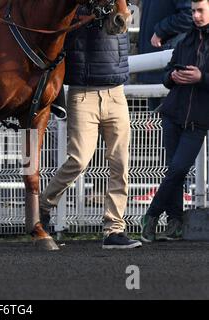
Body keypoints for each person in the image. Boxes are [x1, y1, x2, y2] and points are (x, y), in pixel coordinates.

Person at [39, 6, 142, 249]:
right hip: (83, 96)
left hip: (116, 95)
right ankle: (43, 206)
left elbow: (120, 20)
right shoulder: (73, 10)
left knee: (120, 164)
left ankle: (113, 229)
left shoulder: (115, 9)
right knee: (79, 160)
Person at [141, 0, 209, 242]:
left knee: (177, 169)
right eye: (193, 11)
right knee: (174, 172)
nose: (196, 16)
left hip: (198, 120)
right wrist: (172, 75)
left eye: (200, 11)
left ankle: (151, 215)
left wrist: (201, 77)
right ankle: (175, 222)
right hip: (173, 114)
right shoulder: (187, 39)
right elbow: (167, 75)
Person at [138, 0, 193, 110]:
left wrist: (162, 30)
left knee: (167, 121)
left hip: (169, 70)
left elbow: (190, 14)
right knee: (154, 122)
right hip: (153, 65)